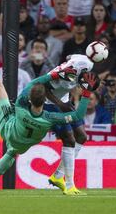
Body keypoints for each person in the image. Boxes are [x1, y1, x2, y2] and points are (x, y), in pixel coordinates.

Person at [0, 31, 98, 195]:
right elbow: (78, 115)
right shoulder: (49, 118)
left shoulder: (21, 104)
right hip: (21, 145)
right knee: (11, 153)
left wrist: (53, 74)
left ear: (29, 99)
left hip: (7, 126)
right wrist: (87, 93)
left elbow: (34, 82)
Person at [43, 53, 94, 196]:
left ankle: (58, 176)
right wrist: (59, 103)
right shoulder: (58, 74)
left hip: (64, 102)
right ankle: (70, 186)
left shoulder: (84, 64)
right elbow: (43, 87)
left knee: (82, 137)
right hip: (49, 105)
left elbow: (72, 56)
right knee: (69, 140)